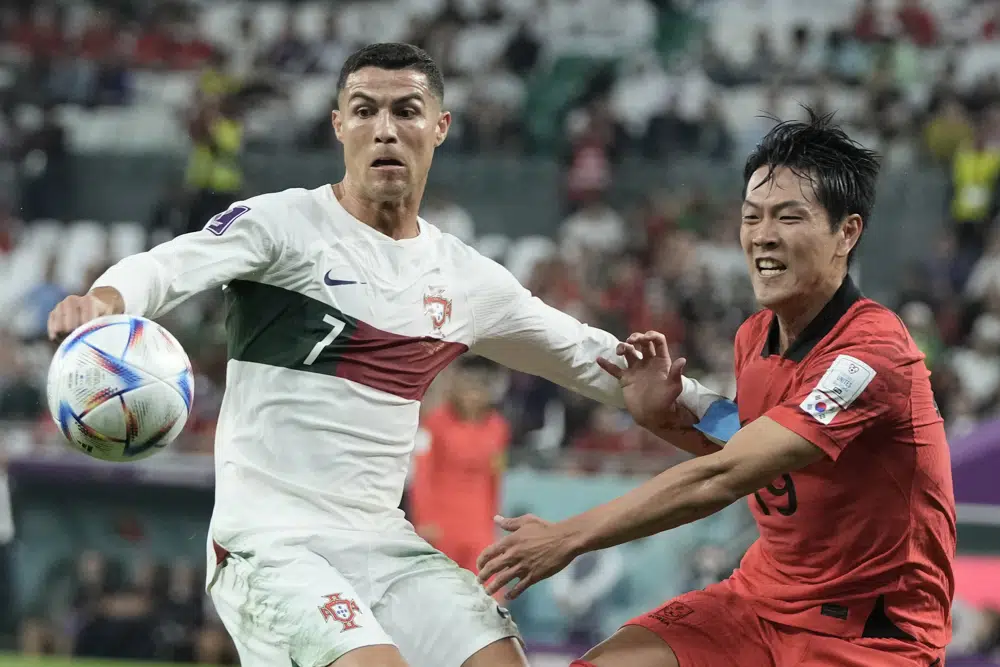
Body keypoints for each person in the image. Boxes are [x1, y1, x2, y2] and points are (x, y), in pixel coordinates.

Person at [46, 42, 713, 667]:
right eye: (365, 110)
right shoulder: (284, 227)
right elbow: (167, 267)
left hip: (381, 542)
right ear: (339, 125)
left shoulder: (462, 279)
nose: (385, 129)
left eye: (406, 110)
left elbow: (596, 358)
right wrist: (102, 302)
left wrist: (737, 424)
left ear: (442, 126)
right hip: (269, 543)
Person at [476, 111, 956, 667]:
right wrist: (666, 417)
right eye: (752, 216)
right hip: (756, 604)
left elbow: (727, 475)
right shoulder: (756, 335)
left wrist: (568, 537)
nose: (762, 236)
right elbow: (751, 442)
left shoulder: (872, 356)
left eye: (789, 217)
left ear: (846, 232)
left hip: (868, 639)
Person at [410, 357, 510, 579]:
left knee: (486, 591)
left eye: (479, 386)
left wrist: (494, 521)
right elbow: (422, 474)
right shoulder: (435, 423)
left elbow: (496, 478)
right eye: (466, 384)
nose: (472, 392)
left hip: (479, 524)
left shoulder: (498, 427)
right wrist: (424, 519)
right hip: (441, 523)